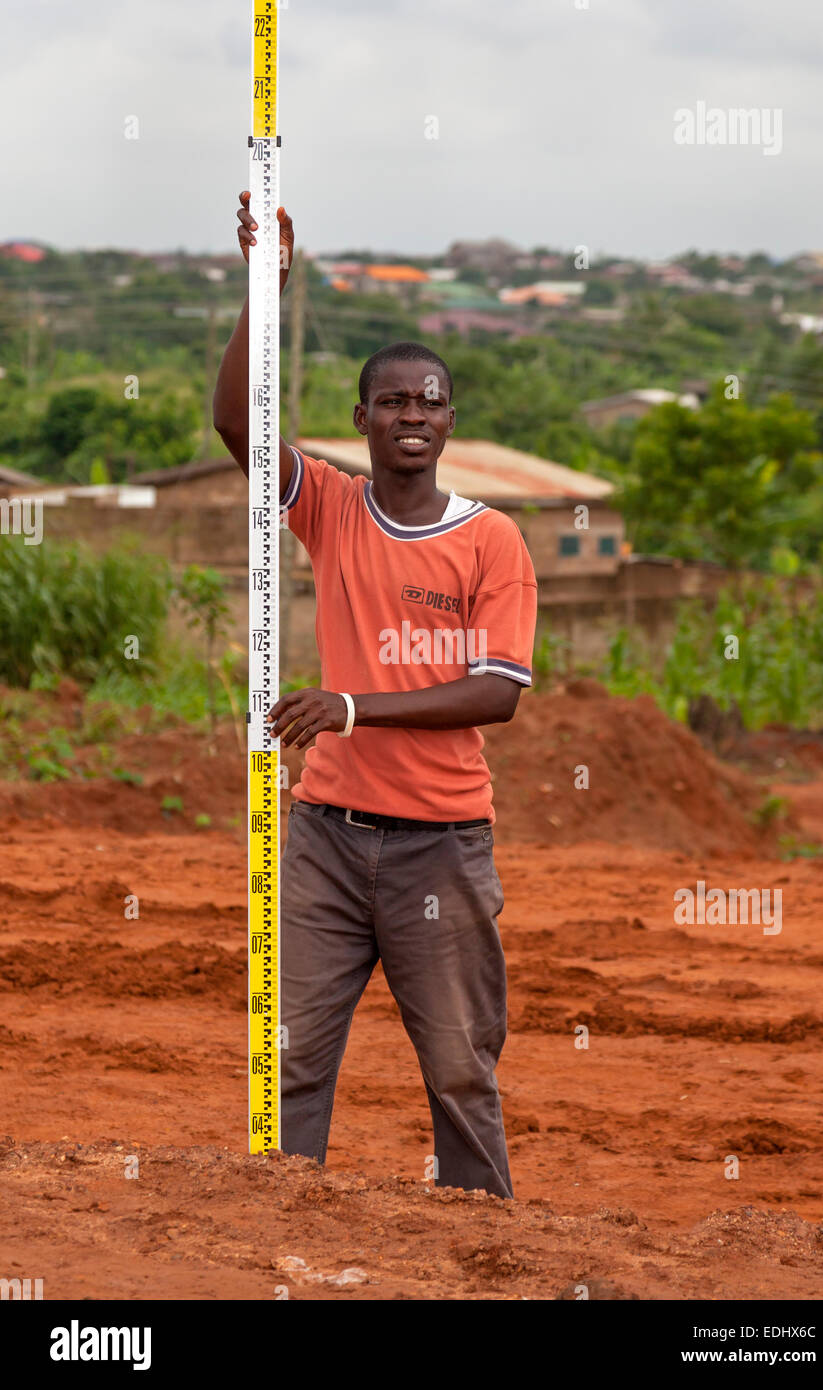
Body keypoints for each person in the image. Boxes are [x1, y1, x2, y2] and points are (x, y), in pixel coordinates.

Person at [213, 193, 538, 1199]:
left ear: (449, 420)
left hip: (439, 839)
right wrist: (263, 292)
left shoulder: (491, 541)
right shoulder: (332, 509)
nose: (411, 416)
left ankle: (484, 1236)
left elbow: (497, 692)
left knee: (455, 1065)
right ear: (361, 418)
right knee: (294, 1056)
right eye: (391, 402)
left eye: (428, 401)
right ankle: (282, 1227)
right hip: (323, 837)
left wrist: (353, 708)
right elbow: (235, 422)